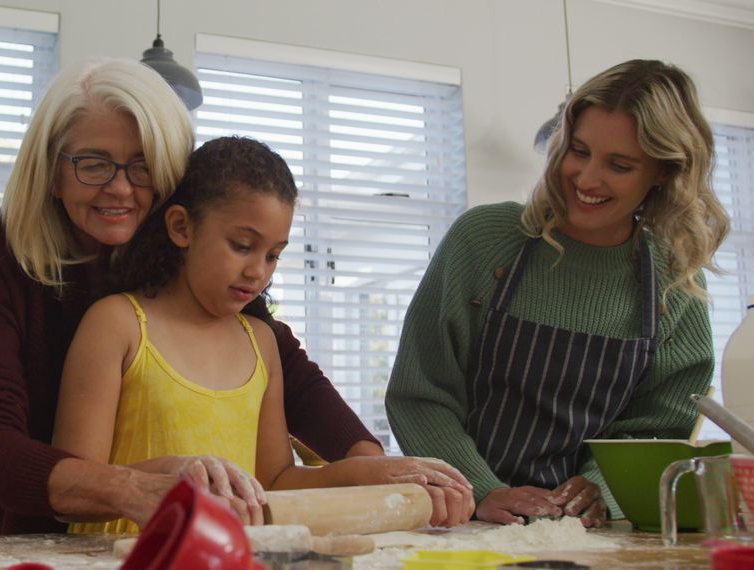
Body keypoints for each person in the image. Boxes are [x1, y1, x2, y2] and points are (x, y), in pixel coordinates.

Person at [0, 58, 470, 536]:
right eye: (92, 163)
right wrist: (132, 485)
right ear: (52, 170)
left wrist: (371, 465)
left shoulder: (186, 258)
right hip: (2, 507)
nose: (119, 186)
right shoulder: (0, 248)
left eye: (142, 166)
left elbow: (287, 370)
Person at [52, 136, 475, 534]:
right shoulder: (116, 323)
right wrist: (177, 470)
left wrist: (369, 473)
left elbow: (274, 480)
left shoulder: (261, 341)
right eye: (241, 245)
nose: (258, 271)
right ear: (181, 227)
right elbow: (73, 487)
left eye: (273, 254)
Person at [386, 59, 730, 528]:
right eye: (579, 151)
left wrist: (602, 487)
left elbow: (657, 427)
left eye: (619, 165)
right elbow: (421, 394)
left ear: (663, 172)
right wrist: (482, 491)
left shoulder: (675, 280)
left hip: (593, 531)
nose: (587, 179)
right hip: (464, 517)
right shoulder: (484, 239)